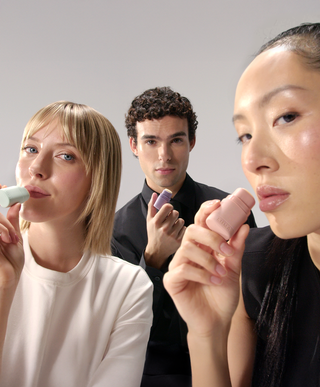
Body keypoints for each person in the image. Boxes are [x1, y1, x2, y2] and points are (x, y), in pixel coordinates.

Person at [163, 22, 320, 387]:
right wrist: (206, 335)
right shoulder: (252, 267)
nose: (251, 159)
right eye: (245, 135)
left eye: (286, 117)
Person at [0, 101, 153, 387]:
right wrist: (4, 288)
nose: (36, 168)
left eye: (65, 156)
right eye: (31, 149)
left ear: (98, 177)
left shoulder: (128, 286)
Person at [111, 87, 256, 387]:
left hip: (231, 365)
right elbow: (122, 329)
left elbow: (255, 301)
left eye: (175, 140)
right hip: (153, 377)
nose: (164, 155)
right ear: (134, 145)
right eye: (151, 141)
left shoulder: (229, 209)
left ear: (191, 142)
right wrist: (152, 259)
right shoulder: (116, 229)